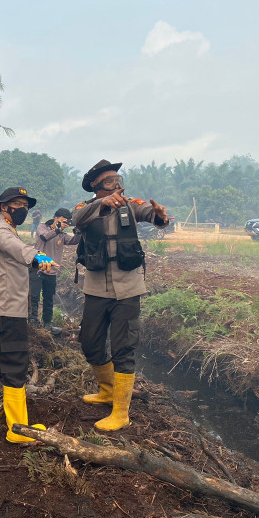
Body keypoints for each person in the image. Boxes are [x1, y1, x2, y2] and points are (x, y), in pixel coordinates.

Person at [73, 159, 168, 432]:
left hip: (128, 288)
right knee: (90, 342)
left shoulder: (131, 204)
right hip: (96, 288)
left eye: (118, 178)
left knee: (123, 348)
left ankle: (121, 412)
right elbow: (77, 220)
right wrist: (102, 205)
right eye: (108, 180)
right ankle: (106, 390)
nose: (116, 183)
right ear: (95, 185)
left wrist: (160, 215)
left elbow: (150, 213)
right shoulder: (85, 208)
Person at [0, 187, 57, 444]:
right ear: (3, 207)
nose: (22, 208)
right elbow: (15, 248)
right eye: (17, 204)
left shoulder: (6, 227)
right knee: (15, 365)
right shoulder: (0, 229)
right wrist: (36, 255)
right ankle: (18, 429)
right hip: (6, 310)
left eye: (25, 204)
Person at [30, 207, 80, 334]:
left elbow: (74, 240)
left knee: (49, 298)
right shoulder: (42, 227)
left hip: (51, 271)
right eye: (62, 221)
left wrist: (79, 230)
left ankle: (47, 324)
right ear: (56, 218)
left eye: (66, 222)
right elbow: (45, 237)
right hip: (37, 268)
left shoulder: (62, 235)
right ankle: (32, 322)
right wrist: (57, 229)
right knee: (34, 297)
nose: (64, 224)